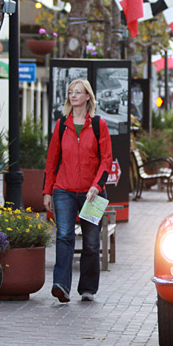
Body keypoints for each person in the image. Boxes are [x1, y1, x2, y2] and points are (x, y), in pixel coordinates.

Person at [43, 79, 113, 304]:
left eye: (78, 92)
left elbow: (106, 160)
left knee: (92, 243)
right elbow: (52, 159)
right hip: (63, 189)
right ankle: (61, 286)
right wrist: (47, 191)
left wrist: (97, 185)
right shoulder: (62, 124)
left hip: (92, 192)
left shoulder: (98, 124)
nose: (73, 96)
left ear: (87, 97)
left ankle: (87, 288)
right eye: (70, 92)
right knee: (64, 236)